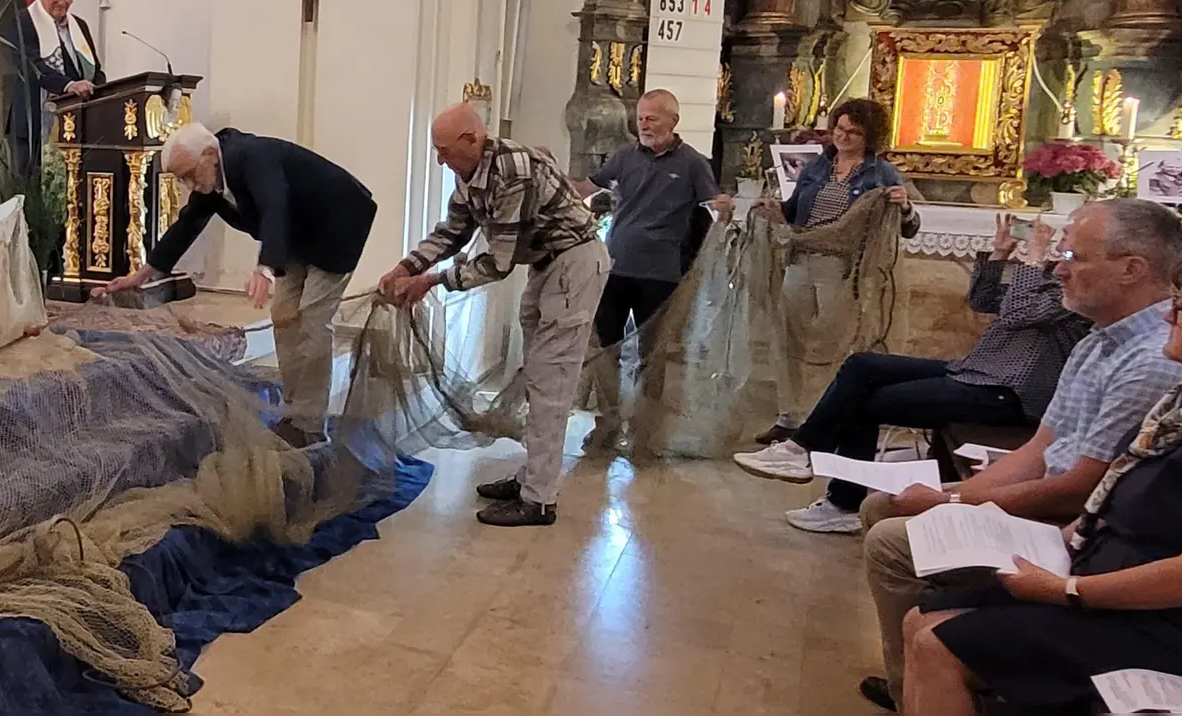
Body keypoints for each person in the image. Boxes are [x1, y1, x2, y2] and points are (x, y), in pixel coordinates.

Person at [854, 198, 1182, 712]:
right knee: (886, 504)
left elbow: (1081, 489)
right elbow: (1041, 448)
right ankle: (921, 687)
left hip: (1073, 528)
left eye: (1075, 255)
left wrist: (958, 505)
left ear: (1131, 269)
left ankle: (933, 685)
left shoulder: (1151, 365)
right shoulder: (1101, 341)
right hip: (1074, 529)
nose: (1060, 266)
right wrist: (953, 494)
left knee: (892, 538)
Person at [734, 214, 1091, 534]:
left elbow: (1019, 313)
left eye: (1068, 245)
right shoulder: (1050, 277)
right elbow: (983, 302)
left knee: (868, 404)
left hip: (1007, 392)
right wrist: (999, 256)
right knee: (863, 364)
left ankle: (839, 500)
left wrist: (1032, 260)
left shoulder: (1080, 291)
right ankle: (801, 450)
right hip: (975, 372)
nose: (1058, 247)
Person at [379, 103, 609, 528]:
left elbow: (497, 263)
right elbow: (453, 231)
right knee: (538, 377)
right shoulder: (469, 173)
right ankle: (531, 478)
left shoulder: (513, 170)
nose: (439, 159)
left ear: (473, 139)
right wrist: (407, 267)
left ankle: (539, 499)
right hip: (547, 265)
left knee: (551, 380)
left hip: (573, 265)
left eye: (444, 150)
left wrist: (430, 282)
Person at [96, 123, 376, 449]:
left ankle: (311, 426)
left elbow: (275, 204)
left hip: (338, 225)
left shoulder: (250, 156)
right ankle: (296, 413)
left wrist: (265, 266)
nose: (188, 185)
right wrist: (141, 275)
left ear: (211, 156)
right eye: (180, 179)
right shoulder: (211, 180)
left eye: (188, 175)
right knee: (284, 316)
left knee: (312, 320)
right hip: (298, 234)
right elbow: (187, 224)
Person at [755, 98, 921, 446]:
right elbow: (793, 210)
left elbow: (909, 228)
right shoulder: (817, 166)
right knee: (790, 336)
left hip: (843, 269)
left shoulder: (881, 174)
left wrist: (903, 205)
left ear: (869, 137)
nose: (842, 137)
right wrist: (773, 211)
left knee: (834, 342)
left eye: (853, 132)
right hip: (801, 258)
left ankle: (826, 418)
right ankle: (788, 417)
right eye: (839, 129)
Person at [573, 89, 728, 451]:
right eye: (641, 117)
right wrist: (550, 177)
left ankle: (646, 431)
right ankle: (607, 424)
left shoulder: (692, 163)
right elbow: (586, 187)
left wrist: (724, 207)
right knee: (606, 350)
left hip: (660, 275)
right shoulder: (625, 157)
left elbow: (712, 204)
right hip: (615, 268)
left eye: (652, 118)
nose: (644, 124)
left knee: (653, 354)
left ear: (672, 121)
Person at [7, 0, 106, 177]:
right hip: (35, 119)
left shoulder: (79, 25)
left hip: (78, 124)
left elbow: (94, 68)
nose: (62, 2)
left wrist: (99, 89)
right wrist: (69, 86)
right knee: (36, 186)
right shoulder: (23, 22)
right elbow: (29, 65)